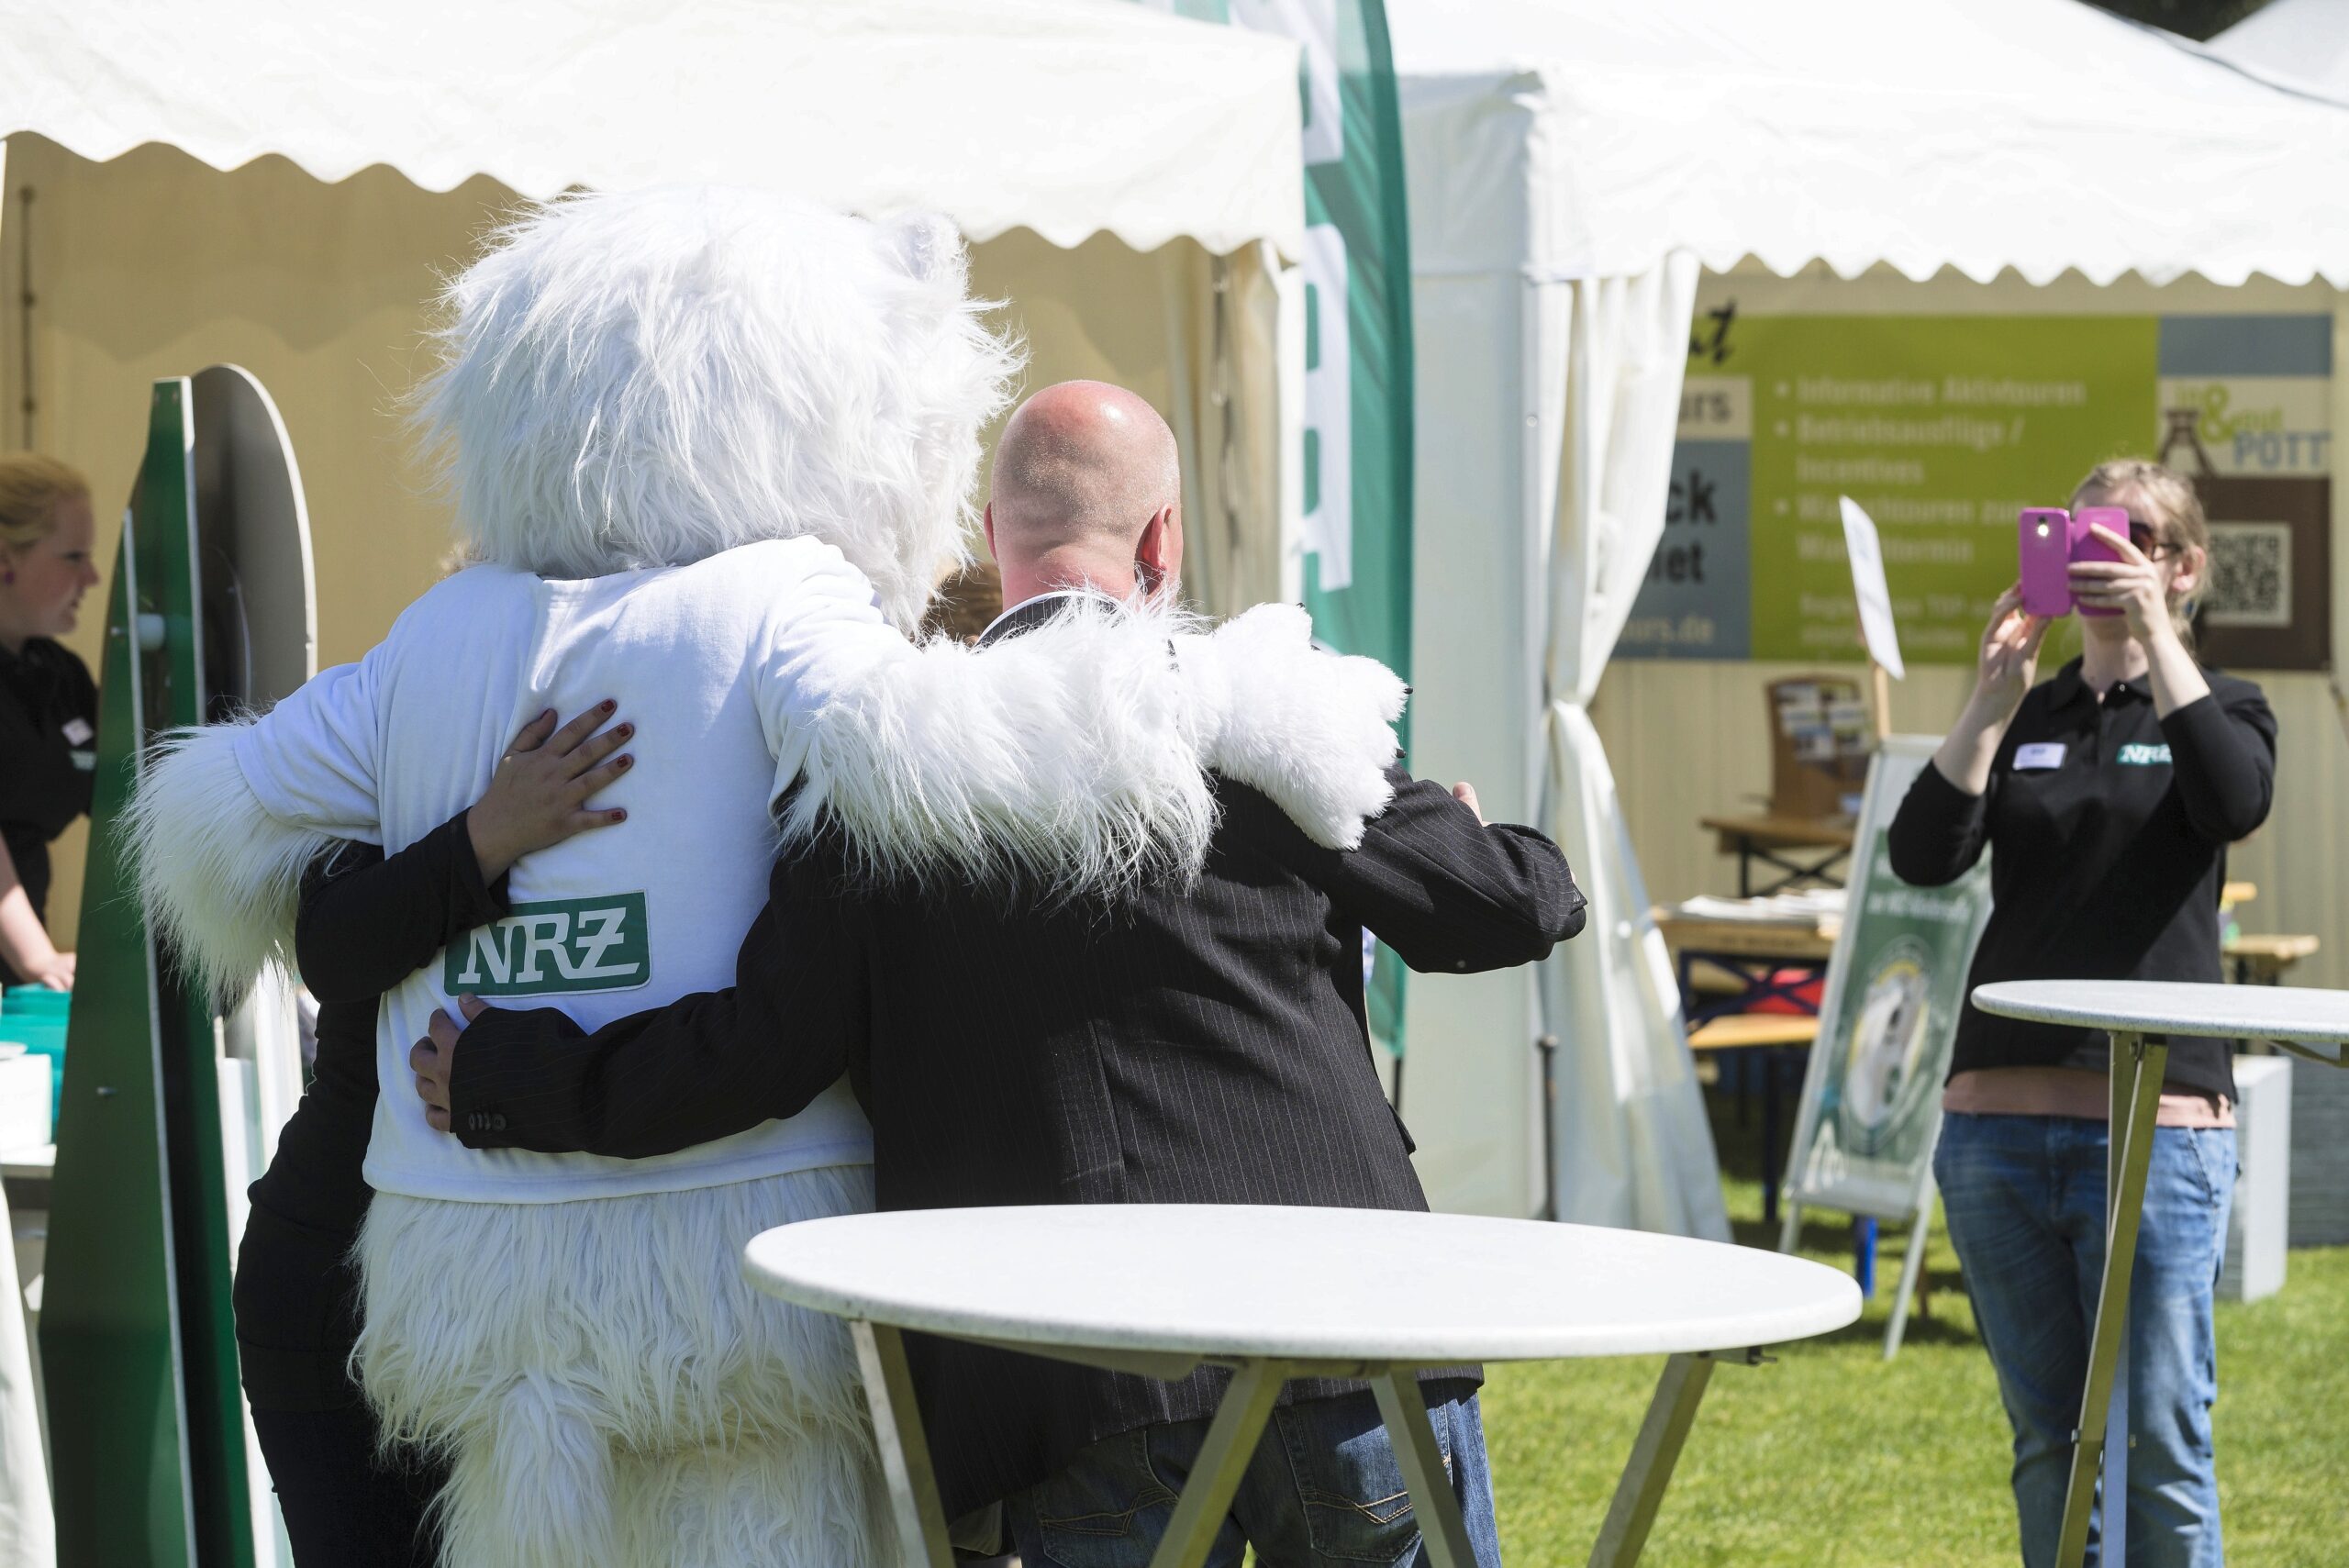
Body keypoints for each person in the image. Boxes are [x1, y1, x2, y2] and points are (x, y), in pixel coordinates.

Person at [126, 193, 1409, 1568]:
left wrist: (470, 844)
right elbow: (968, 746)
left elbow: (210, 823)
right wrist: (1242, 698)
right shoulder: (784, 595)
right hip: (737, 1262)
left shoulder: (444, 629)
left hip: (466, 1264)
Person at [417, 381, 1588, 1568]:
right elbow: (1510, 910)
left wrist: (507, 1075)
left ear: (990, 536)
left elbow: (752, 1053)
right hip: (1349, 1331)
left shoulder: (884, 766)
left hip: (1067, 1375)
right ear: (1164, 541)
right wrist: (1465, 834)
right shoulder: (1247, 705)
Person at [1888, 460, 2274, 1568]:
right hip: (1995, 1130)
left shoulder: (2225, 704)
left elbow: (2231, 801)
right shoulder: (2034, 710)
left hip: (2157, 1132)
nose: (2106, 554)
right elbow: (1923, 856)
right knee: (2049, 1444)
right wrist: (1986, 700)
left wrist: (2161, 646)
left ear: (2181, 564)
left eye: (2134, 536)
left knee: (2159, 1442)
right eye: (2086, 531)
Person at [233, 705, 628, 1565]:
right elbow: (331, 948)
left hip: (548, 1303)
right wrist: (488, 832)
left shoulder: (651, 723)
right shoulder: (407, 709)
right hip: (336, 1274)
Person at [0, 455, 101, 990]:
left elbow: (123, 797)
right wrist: (39, 959)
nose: (92, 576)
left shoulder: (61, 676)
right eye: (73, 557)